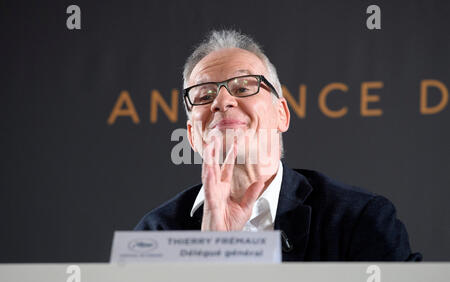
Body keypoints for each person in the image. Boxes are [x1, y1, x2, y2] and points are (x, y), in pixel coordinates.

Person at [135, 30, 422, 261]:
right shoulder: (154, 236)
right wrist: (212, 250)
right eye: (204, 95)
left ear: (281, 114)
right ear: (193, 136)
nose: (222, 102)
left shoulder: (358, 220)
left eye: (244, 87)